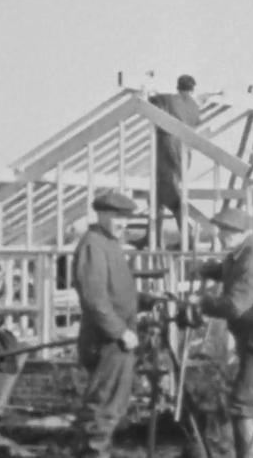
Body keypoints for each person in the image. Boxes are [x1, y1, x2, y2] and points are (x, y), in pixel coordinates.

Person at [186, 208, 253, 458]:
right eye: (221, 230)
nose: (222, 235)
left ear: (245, 232)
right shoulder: (238, 255)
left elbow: (234, 306)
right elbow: (227, 270)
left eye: (228, 231)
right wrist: (205, 269)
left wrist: (201, 302)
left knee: (244, 405)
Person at [72, 191, 157, 458]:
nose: (123, 224)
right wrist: (119, 331)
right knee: (103, 405)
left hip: (118, 341)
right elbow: (94, 298)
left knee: (113, 404)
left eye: (126, 219)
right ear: (101, 215)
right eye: (117, 217)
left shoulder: (110, 244)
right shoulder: (92, 245)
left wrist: (147, 300)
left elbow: (116, 293)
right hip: (107, 341)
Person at [133, 74, 202, 250]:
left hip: (167, 153)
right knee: (157, 197)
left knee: (169, 197)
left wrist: (148, 90)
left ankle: (186, 236)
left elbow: (149, 103)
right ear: (193, 89)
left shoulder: (170, 100)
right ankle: (151, 236)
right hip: (184, 156)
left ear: (178, 87)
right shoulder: (195, 107)